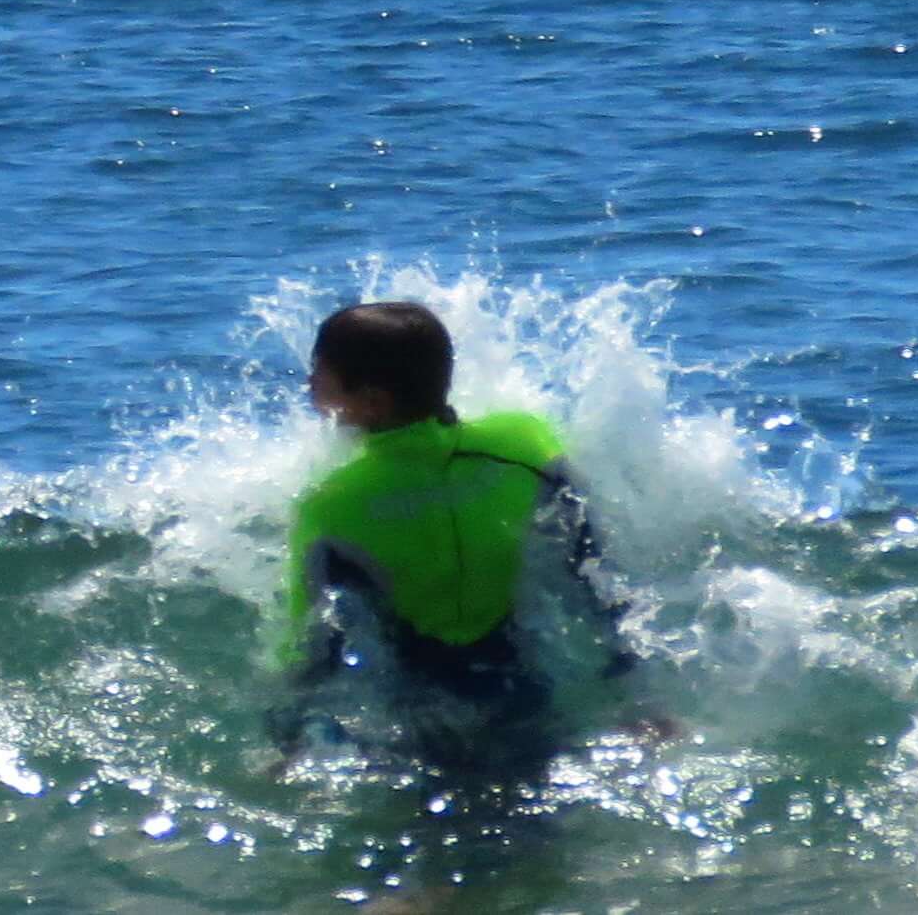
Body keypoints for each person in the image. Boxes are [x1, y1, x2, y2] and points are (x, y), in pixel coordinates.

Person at [266, 301, 658, 778]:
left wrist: (286, 741)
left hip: (419, 705)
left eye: (319, 374)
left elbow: (311, 645)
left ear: (371, 402)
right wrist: (634, 692)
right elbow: (591, 565)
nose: (309, 386)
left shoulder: (333, 504)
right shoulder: (526, 442)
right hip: (521, 682)